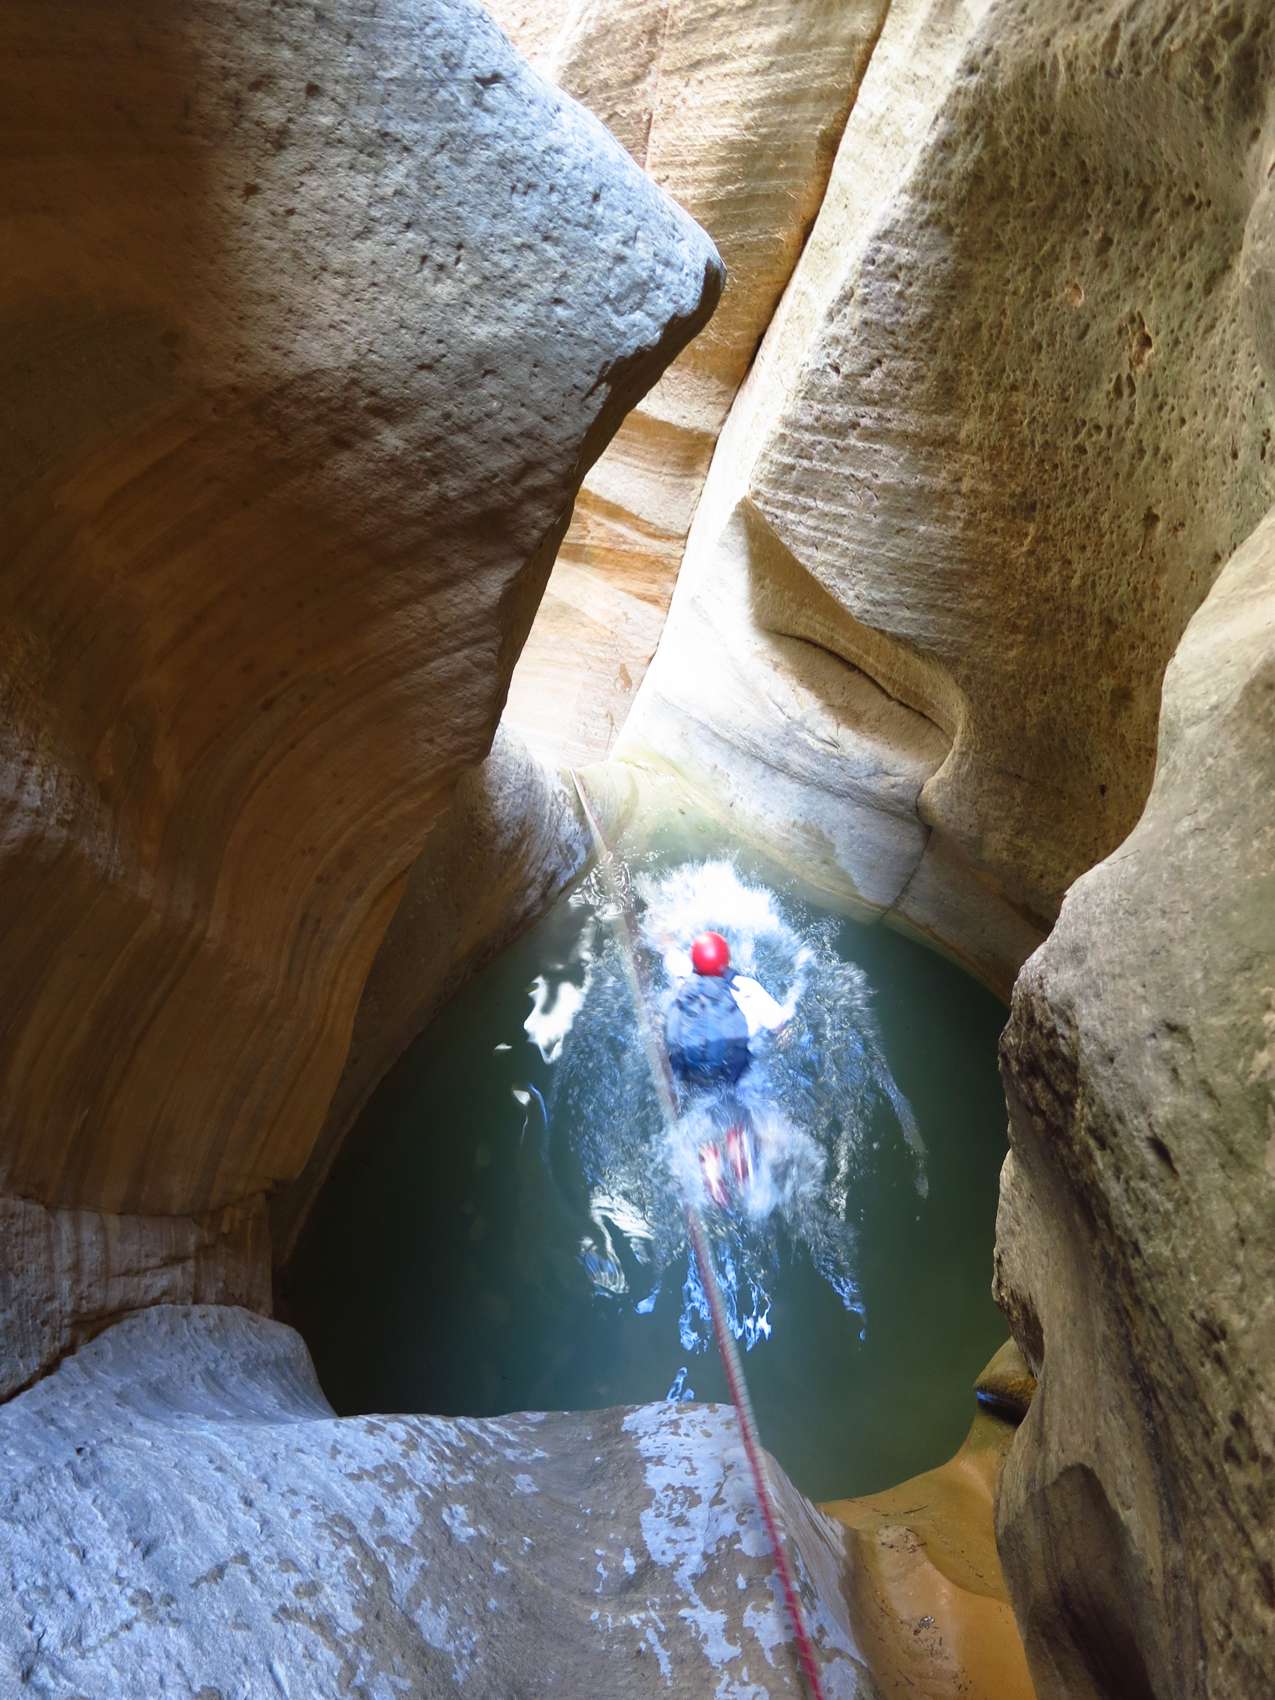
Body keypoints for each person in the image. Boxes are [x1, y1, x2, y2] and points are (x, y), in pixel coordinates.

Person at [664, 931, 801, 1206]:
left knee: (703, 1110)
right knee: (741, 1110)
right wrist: (787, 1035)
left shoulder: (683, 981)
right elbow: (779, 1027)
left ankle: (710, 1161)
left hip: (693, 1077)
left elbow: (667, 950)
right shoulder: (746, 990)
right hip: (733, 1076)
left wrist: (666, 942)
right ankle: (738, 1148)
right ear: (726, 962)